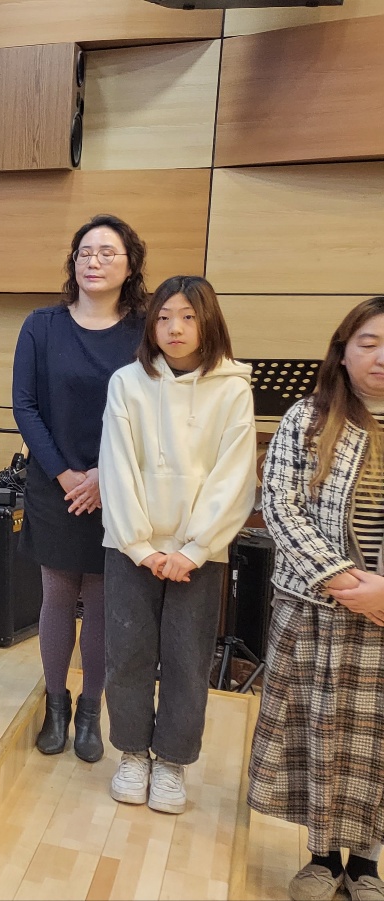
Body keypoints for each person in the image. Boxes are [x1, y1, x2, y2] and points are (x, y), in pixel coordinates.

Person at [99, 276, 255, 815]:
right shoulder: (127, 381)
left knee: (188, 661)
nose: (175, 328)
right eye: (164, 317)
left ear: (208, 321)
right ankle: (132, 754)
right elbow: (117, 466)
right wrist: (141, 547)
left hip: (199, 554)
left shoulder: (233, 388)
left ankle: (171, 761)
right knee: (128, 654)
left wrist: (194, 548)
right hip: (130, 547)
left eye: (188, 316)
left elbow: (234, 475)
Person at [251, 295, 384, 901]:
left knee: (376, 743)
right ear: (343, 351)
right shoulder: (308, 417)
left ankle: (368, 864)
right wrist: (344, 581)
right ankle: (324, 857)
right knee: (322, 735)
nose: (379, 357)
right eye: (368, 343)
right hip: (317, 608)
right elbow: (280, 504)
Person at [12, 213, 147, 766]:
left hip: (119, 484)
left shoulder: (145, 331)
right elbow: (25, 405)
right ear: (73, 262)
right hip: (55, 484)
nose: (94, 261)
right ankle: (56, 705)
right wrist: (67, 474)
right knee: (57, 594)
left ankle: (92, 709)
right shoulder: (41, 326)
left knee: (103, 601)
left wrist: (103, 477)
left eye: (107, 252)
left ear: (130, 266)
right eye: (85, 252)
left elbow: (151, 413)